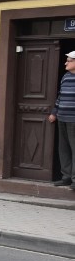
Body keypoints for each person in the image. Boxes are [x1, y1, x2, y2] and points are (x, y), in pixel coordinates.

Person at [49, 51, 75, 190]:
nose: (65, 63)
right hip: (62, 118)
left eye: (69, 60)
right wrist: (54, 112)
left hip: (74, 120)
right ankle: (66, 177)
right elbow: (60, 96)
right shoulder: (65, 77)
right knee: (63, 148)